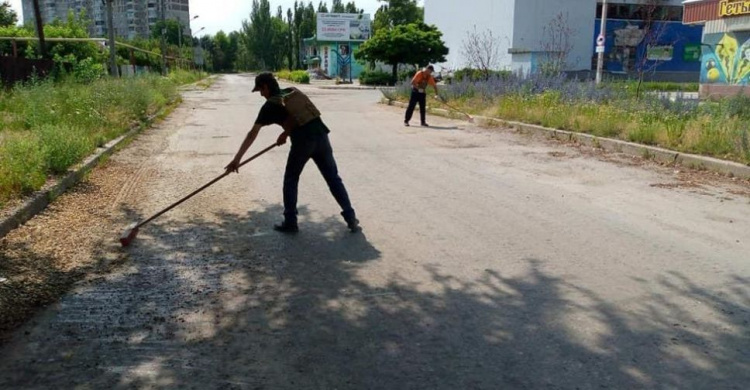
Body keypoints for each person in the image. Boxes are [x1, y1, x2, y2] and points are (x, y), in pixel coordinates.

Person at [225, 73, 360, 233]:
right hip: (321, 136)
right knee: (332, 178)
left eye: (260, 90)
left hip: (303, 141)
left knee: (291, 179)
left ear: (266, 87)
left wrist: (237, 159)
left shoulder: (269, 106)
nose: (261, 94)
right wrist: (286, 133)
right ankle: (350, 217)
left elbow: (252, 134)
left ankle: (290, 222)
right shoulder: (292, 91)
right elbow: (303, 115)